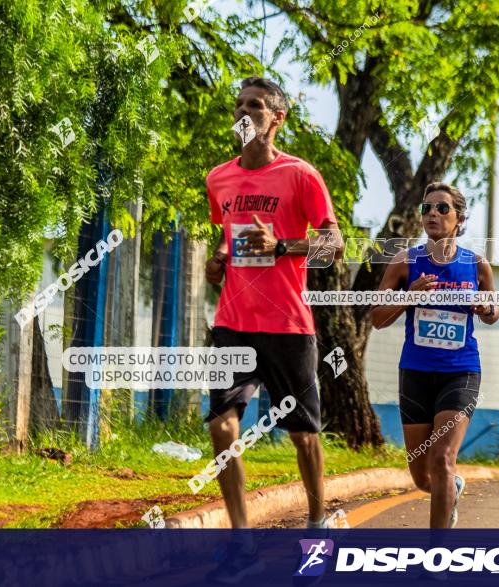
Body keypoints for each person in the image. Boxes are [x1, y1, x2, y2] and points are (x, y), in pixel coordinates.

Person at [203, 76, 344, 581]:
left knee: (303, 436)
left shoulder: (301, 175)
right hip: (233, 321)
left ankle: (316, 521)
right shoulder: (218, 178)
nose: (244, 112)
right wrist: (219, 260)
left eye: (256, 106)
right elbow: (229, 240)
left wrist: (282, 246)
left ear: (277, 118)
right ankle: (241, 542)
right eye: (239, 105)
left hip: (287, 324)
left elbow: (333, 246)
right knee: (222, 426)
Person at [371, 182, 499, 528]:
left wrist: (484, 306)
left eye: (442, 208)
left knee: (443, 459)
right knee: (423, 476)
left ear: (459, 218)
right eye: (426, 208)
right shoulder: (405, 262)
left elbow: (493, 310)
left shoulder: (476, 264)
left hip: (461, 371)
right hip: (415, 372)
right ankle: (452, 489)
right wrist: (409, 296)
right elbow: (377, 319)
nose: (432, 214)